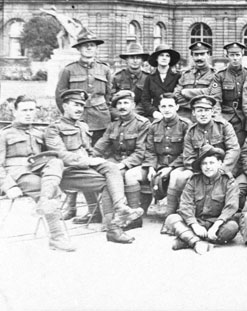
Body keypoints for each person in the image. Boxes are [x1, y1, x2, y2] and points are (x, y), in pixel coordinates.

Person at [43, 89, 144, 243]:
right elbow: (60, 155)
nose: (79, 109)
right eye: (75, 105)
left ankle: (121, 208)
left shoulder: (82, 126)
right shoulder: (54, 128)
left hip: (83, 169)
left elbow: (89, 150)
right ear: (64, 106)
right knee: (107, 182)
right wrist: (90, 161)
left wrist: (96, 158)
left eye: (81, 106)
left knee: (111, 168)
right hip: (67, 171)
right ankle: (113, 228)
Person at [1, 96, 74, 251]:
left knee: (56, 161)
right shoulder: (4, 134)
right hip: (17, 173)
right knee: (48, 187)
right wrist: (8, 186)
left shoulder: (39, 132)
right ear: (14, 112)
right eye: (24, 110)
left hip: (38, 170)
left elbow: (49, 157)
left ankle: (44, 201)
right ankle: (57, 237)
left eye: (31, 110)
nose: (28, 114)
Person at [163, 145, 240, 254]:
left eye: (211, 163)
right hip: (197, 221)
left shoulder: (228, 181)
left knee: (232, 227)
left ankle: (186, 238)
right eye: (204, 163)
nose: (208, 167)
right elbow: (185, 205)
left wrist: (216, 225)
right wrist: (194, 225)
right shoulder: (194, 180)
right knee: (171, 219)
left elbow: (231, 207)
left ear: (220, 164)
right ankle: (196, 242)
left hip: (217, 223)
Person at [91, 90, 151, 227]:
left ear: (133, 105)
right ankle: (110, 216)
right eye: (119, 103)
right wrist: (90, 157)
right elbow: (102, 144)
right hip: (115, 161)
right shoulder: (113, 125)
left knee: (112, 176)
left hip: (136, 163)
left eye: (126, 103)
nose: (122, 106)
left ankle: (128, 217)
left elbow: (141, 152)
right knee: (105, 174)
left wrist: (123, 164)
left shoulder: (143, 123)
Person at [143, 92, 193, 221]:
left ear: (177, 107)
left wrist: (170, 168)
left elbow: (187, 152)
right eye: (163, 106)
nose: (167, 109)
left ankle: (169, 215)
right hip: (159, 164)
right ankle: (138, 216)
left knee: (175, 176)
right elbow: (150, 150)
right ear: (159, 108)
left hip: (179, 165)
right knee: (133, 175)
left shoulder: (185, 125)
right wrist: (151, 167)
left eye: (170, 106)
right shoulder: (154, 126)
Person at [55, 33, 112, 143]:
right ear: (78, 49)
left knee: (99, 149)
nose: (89, 48)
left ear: (96, 49)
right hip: (77, 117)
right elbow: (60, 95)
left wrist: (106, 110)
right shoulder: (69, 70)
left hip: (100, 118)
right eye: (85, 45)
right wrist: (68, 114)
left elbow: (109, 93)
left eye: (92, 45)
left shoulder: (104, 69)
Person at [182, 95, 241, 200]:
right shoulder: (191, 132)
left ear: (212, 111)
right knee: (182, 179)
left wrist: (222, 169)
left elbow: (234, 149)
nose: (203, 114)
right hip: (201, 170)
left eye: (206, 110)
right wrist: (202, 170)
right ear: (193, 113)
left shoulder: (224, 126)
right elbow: (188, 157)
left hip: (223, 169)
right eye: (199, 111)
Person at [210, 41, 247, 145]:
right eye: (232, 55)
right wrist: (218, 119)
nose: (235, 58)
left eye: (238, 55)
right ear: (227, 55)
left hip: (243, 118)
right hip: (225, 115)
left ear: (242, 55)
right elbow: (216, 99)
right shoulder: (220, 75)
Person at [174, 41, 216, 120]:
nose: (199, 58)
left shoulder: (215, 75)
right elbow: (176, 95)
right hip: (184, 116)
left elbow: (212, 93)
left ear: (208, 55)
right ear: (192, 56)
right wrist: (194, 106)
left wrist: (186, 92)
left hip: (205, 116)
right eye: (196, 55)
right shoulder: (185, 74)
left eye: (202, 54)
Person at [140, 44, 181, 120]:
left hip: (174, 114)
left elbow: (180, 97)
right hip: (156, 115)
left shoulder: (177, 76)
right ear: (156, 58)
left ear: (170, 59)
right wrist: (154, 112)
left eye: (167, 56)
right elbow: (145, 99)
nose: (164, 58)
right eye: (161, 55)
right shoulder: (150, 78)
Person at [111, 42, 150, 118]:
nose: (135, 61)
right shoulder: (117, 77)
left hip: (141, 116)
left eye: (138, 58)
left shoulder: (148, 78)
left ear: (142, 60)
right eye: (132, 57)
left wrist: (132, 113)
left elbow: (147, 101)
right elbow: (111, 100)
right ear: (126, 60)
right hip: (120, 115)